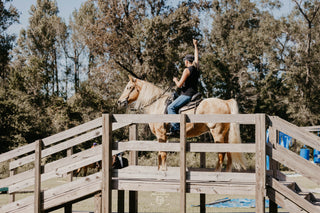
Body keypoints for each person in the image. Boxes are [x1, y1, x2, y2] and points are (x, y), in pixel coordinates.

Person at [167, 39, 200, 137]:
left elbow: (179, 85)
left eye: (184, 61)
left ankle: (176, 128)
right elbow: (197, 58)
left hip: (187, 95)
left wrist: (175, 80)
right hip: (194, 93)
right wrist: (195, 46)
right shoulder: (196, 68)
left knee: (170, 107)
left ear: (186, 61)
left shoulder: (186, 70)